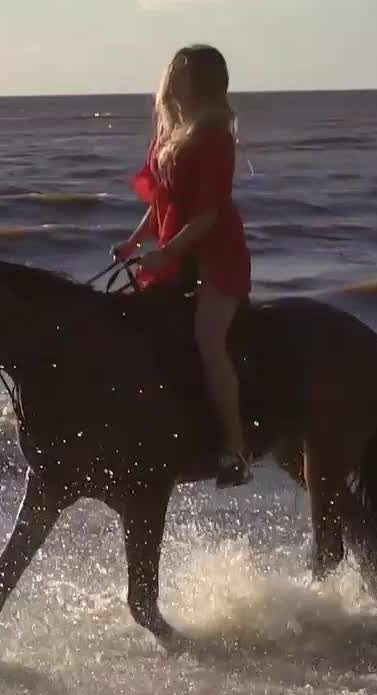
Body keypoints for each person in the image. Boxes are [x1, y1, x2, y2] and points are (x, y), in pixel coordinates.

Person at [115, 44, 253, 489]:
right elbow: (161, 200)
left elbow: (208, 214)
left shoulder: (215, 136)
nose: (174, 81)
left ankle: (235, 448)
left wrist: (168, 250)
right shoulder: (171, 134)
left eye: (184, 74)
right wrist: (137, 239)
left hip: (216, 255)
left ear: (205, 81)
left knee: (208, 340)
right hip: (176, 250)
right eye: (172, 72)